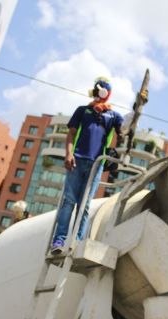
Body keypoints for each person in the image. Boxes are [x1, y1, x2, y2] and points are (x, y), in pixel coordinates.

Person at [50, 77, 125, 255]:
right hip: (77, 160)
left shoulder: (113, 115)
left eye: (103, 89)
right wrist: (68, 154)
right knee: (69, 201)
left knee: (84, 205)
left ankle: (76, 241)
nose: (101, 92)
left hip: (96, 164)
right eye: (99, 89)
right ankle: (59, 241)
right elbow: (71, 134)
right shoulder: (83, 111)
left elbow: (125, 130)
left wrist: (137, 110)